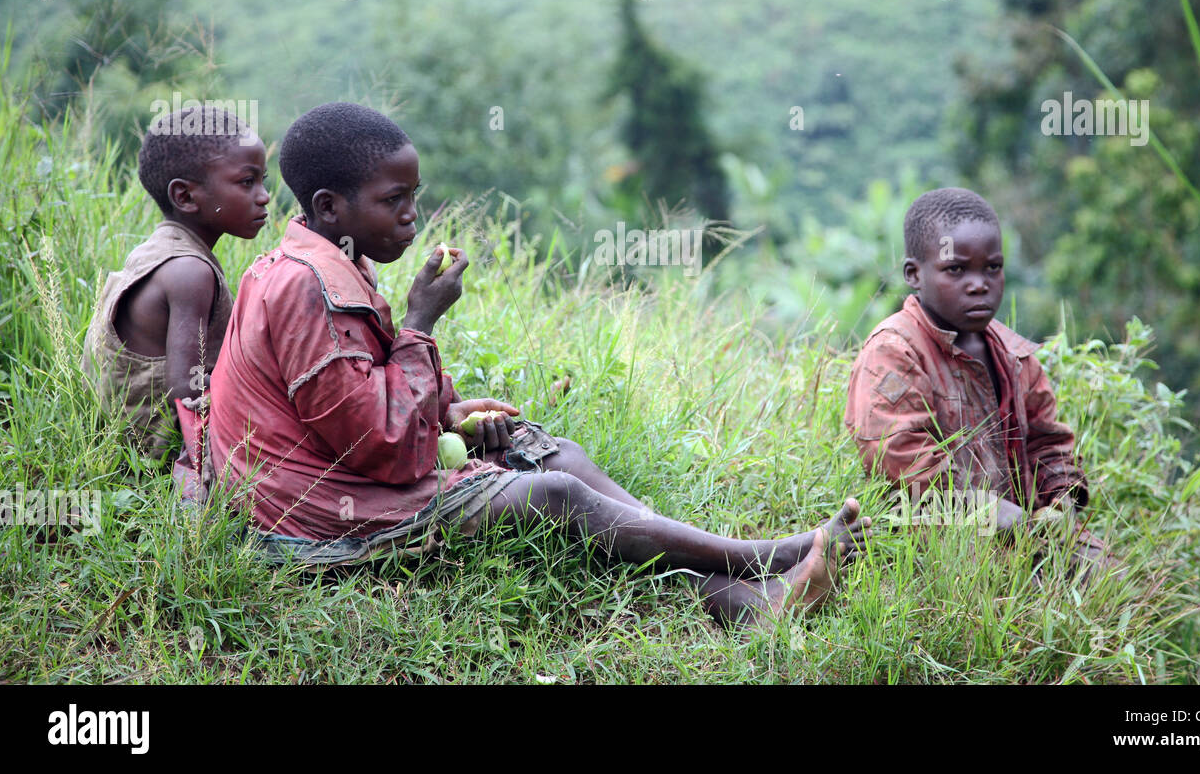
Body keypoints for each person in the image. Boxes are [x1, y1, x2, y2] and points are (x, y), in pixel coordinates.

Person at [208, 102, 867, 627]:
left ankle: (750, 603)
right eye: (392, 201)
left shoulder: (337, 261)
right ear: (329, 206)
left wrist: (453, 415)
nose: (412, 216)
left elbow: (364, 393)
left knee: (558, 454)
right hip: (315, 518)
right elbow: (374, 444)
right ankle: (769, 558)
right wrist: (421, 322)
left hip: (344, 475)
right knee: (552, 496)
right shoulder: (305, 285)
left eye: (413, 196)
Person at [844, 187, 1113, 580]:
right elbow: (898, 458)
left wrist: (1061, 502)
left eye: (992, 267)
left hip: (1024, 535)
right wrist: (990, 512)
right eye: (956, 270)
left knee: (1112, 579)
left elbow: (1048, 441)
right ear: (914, 274)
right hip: (930, 545)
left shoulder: (1015, 355)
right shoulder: (894, 352)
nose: (979, 284)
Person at [82, 105, 270, 500]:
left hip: (121, 447)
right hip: (157, 462)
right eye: (247, 182)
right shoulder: (190, 272)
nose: (264, 197)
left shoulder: (157, 249)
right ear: (185, 196)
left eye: (263, 181)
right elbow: (190, 396)